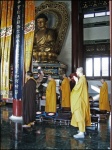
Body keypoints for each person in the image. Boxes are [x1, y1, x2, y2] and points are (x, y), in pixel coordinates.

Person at [70, 67, 91, 138]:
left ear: (78, 72)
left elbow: (76, 90)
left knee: (79, 115)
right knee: (80, 115)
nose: (76, 73)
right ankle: (82, 129)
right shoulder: (82, 79)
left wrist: (76, 81)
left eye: (76, 72)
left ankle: (81, 132)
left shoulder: (81, 79)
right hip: (81, 100)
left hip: (79, 101)